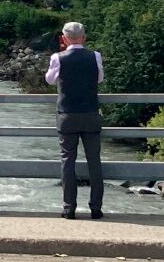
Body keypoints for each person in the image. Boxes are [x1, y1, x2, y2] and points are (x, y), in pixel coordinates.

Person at [45, 21, 105, 220]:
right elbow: (99, 78)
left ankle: (69, 208)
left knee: (67, 162)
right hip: (90, 114)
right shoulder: (94, 56)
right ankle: (96, 208)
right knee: (94, 161)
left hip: (67, 116)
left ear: (63, 38)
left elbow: (50, 80)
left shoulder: (58, 58)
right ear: (84, 37)